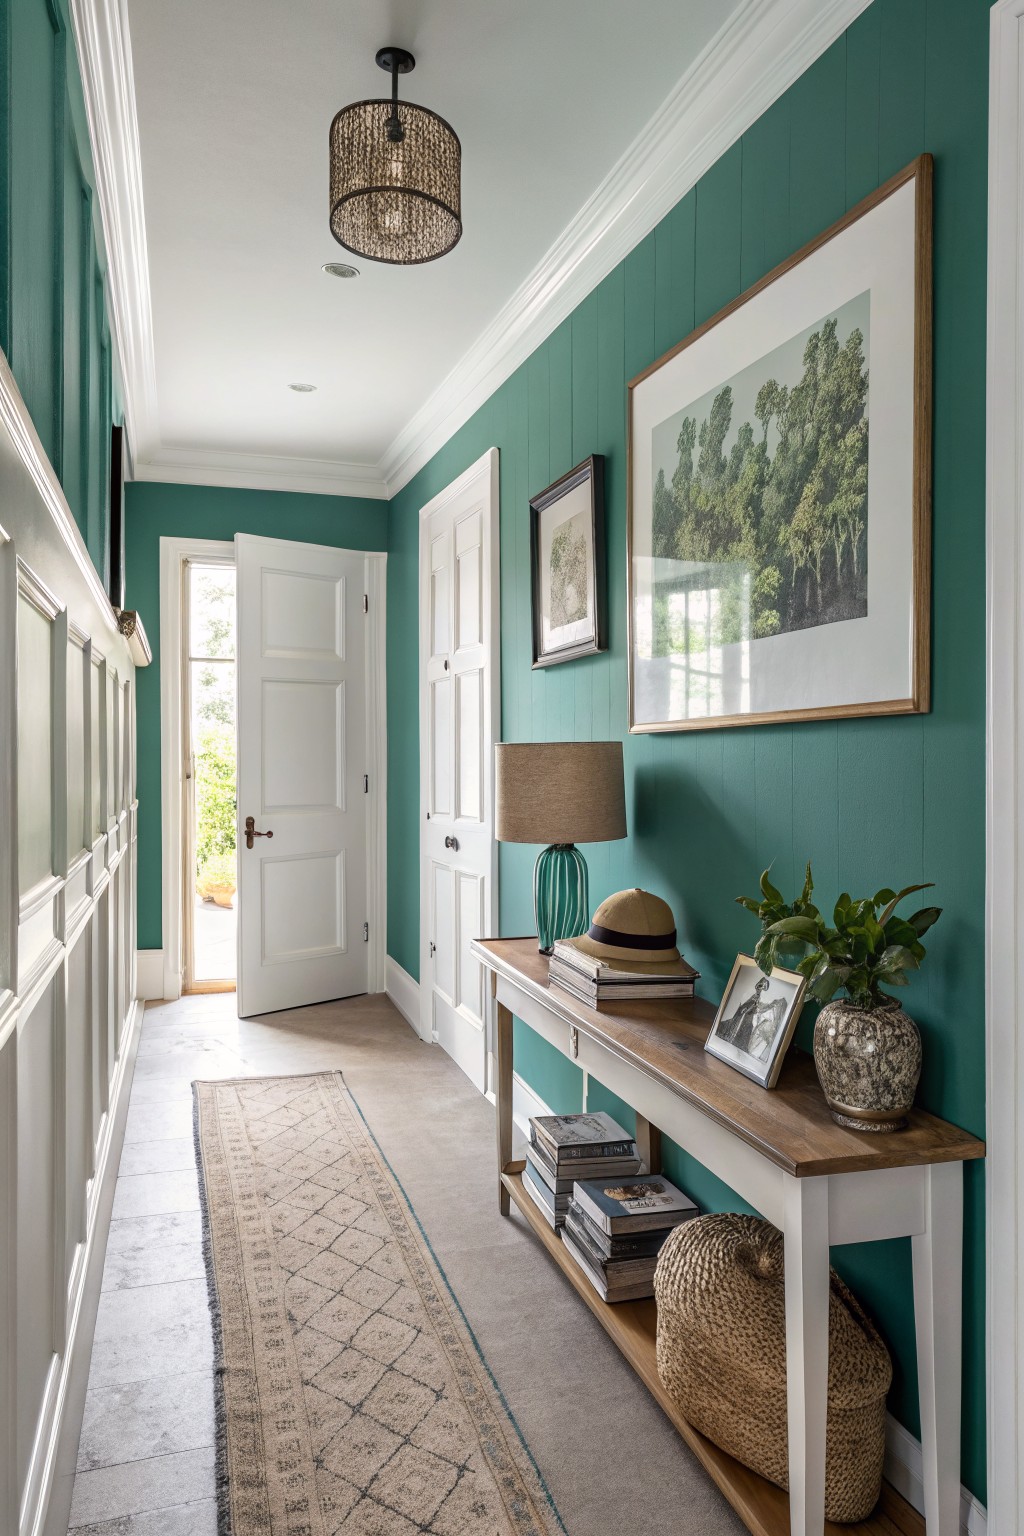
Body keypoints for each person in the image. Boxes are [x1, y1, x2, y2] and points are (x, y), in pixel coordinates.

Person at [718, 976, 770, 1053]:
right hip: (742, 1016)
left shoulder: (758, 999)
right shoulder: (750, 995)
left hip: (747, 1020)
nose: (759, 988)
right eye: (759, 986)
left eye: (761, 987)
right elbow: (742, 1008)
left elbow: (752, 1009)